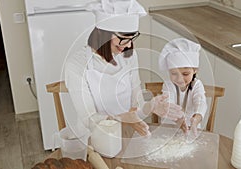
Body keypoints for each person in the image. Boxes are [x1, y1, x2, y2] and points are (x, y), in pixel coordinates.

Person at [64, 0, 183, 136]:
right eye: (124, 38)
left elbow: (136, 102)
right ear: (103, 35)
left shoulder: (128, 56)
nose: (128, 45)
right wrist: (123, 118)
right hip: (94, 137)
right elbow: (89, 119)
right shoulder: (77, 64)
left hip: (127, 133)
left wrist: (150, 106)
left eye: (132, 38)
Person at [158, 38, 207, 136]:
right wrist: (177, 119)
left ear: (195, 70)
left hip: (192, 129)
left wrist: (196, 118)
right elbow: (168, 104)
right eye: (174, 73)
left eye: (185, 74)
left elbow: (200, 102)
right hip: (169, 128)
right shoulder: (168, 85)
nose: (180, 79)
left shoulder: (197, 85)